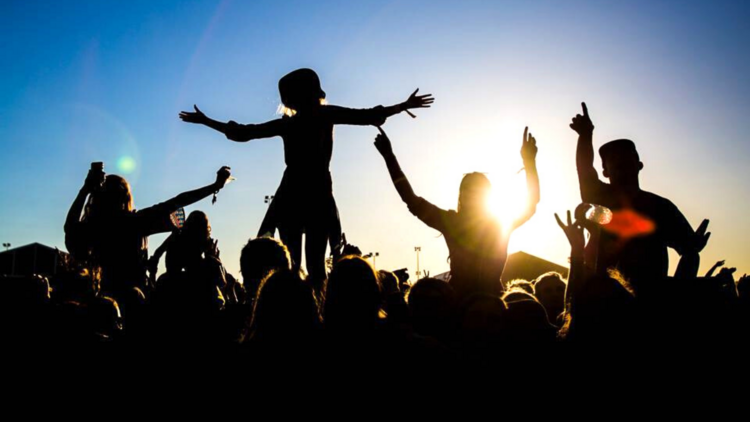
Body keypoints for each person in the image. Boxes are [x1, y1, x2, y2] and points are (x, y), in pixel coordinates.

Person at [179, 68, 434, 285]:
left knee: (296, 266)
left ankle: (299, 314)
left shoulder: (291, 124)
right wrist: (401, 106)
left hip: (294, 193)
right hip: (316, 192)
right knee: (314, 267)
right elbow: (366, 115)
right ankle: (315, 315)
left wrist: (206, 121)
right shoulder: (321, 116)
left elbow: (244, 132)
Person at [374, 126, 539, 299]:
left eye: (479, 189)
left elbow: (531, 204)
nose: (474, 194)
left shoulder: (499, 223)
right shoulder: (453, 221)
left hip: (489, 299)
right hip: (463, 300)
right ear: (461, 195)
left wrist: (530, 163)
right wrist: (389, 157)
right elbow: (411, 200)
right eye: (468, 189)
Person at [569, 102, 708, 291]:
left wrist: (678, 293)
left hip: (651, 302)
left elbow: (691, 253)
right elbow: (584, 169)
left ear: (639, 164)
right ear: (605, 171)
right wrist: (585, 136)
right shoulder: (599, 196)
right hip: (607, 301)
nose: (620, 161)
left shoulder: (661, 207)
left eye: (626, 157)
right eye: (613, 159)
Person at [65, 164, 232, 299]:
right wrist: (215, 186)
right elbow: (178, 202)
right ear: (124, 198)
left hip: (99, 298)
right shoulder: (133, 222)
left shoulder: (91, 229)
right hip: (133, 299)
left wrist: (85, 189)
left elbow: (69, 228)